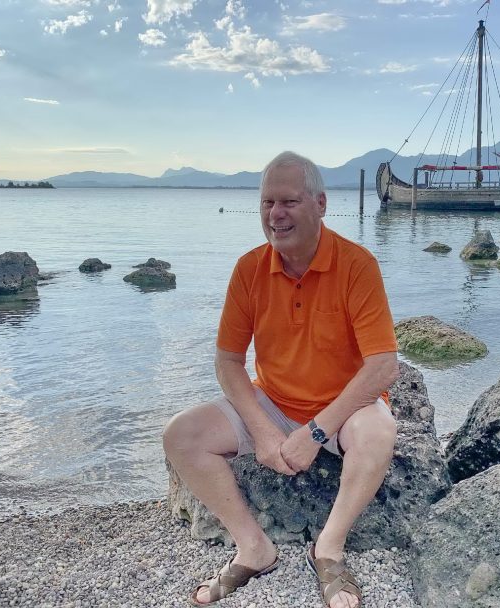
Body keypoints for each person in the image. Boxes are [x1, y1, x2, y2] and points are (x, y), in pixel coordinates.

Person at [163, 151, 399, 608]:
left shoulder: (357, 265)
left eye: (289, 201)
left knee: (379, 430)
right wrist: (262, 430)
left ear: (321, 204)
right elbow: (228, 362)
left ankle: (328, 549)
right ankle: (254, 548)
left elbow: (383, 366)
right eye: (268, 202)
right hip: (273, 401)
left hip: (344, 408)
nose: (276, 214)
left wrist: (315, 433)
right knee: (181, 434)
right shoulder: (249, 269)